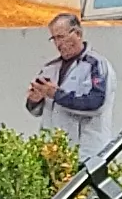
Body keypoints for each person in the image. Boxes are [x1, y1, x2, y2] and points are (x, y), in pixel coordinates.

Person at [27, 13, 111, 151]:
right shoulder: (50, 68)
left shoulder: (95, 65)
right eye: (54, 38)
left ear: (77, 34)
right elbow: (36, 111)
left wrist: (56, 94)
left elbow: (96, 103)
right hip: (53, 152)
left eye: (61, 37)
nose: (58, 44)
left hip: (85, 153)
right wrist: (34, 100)